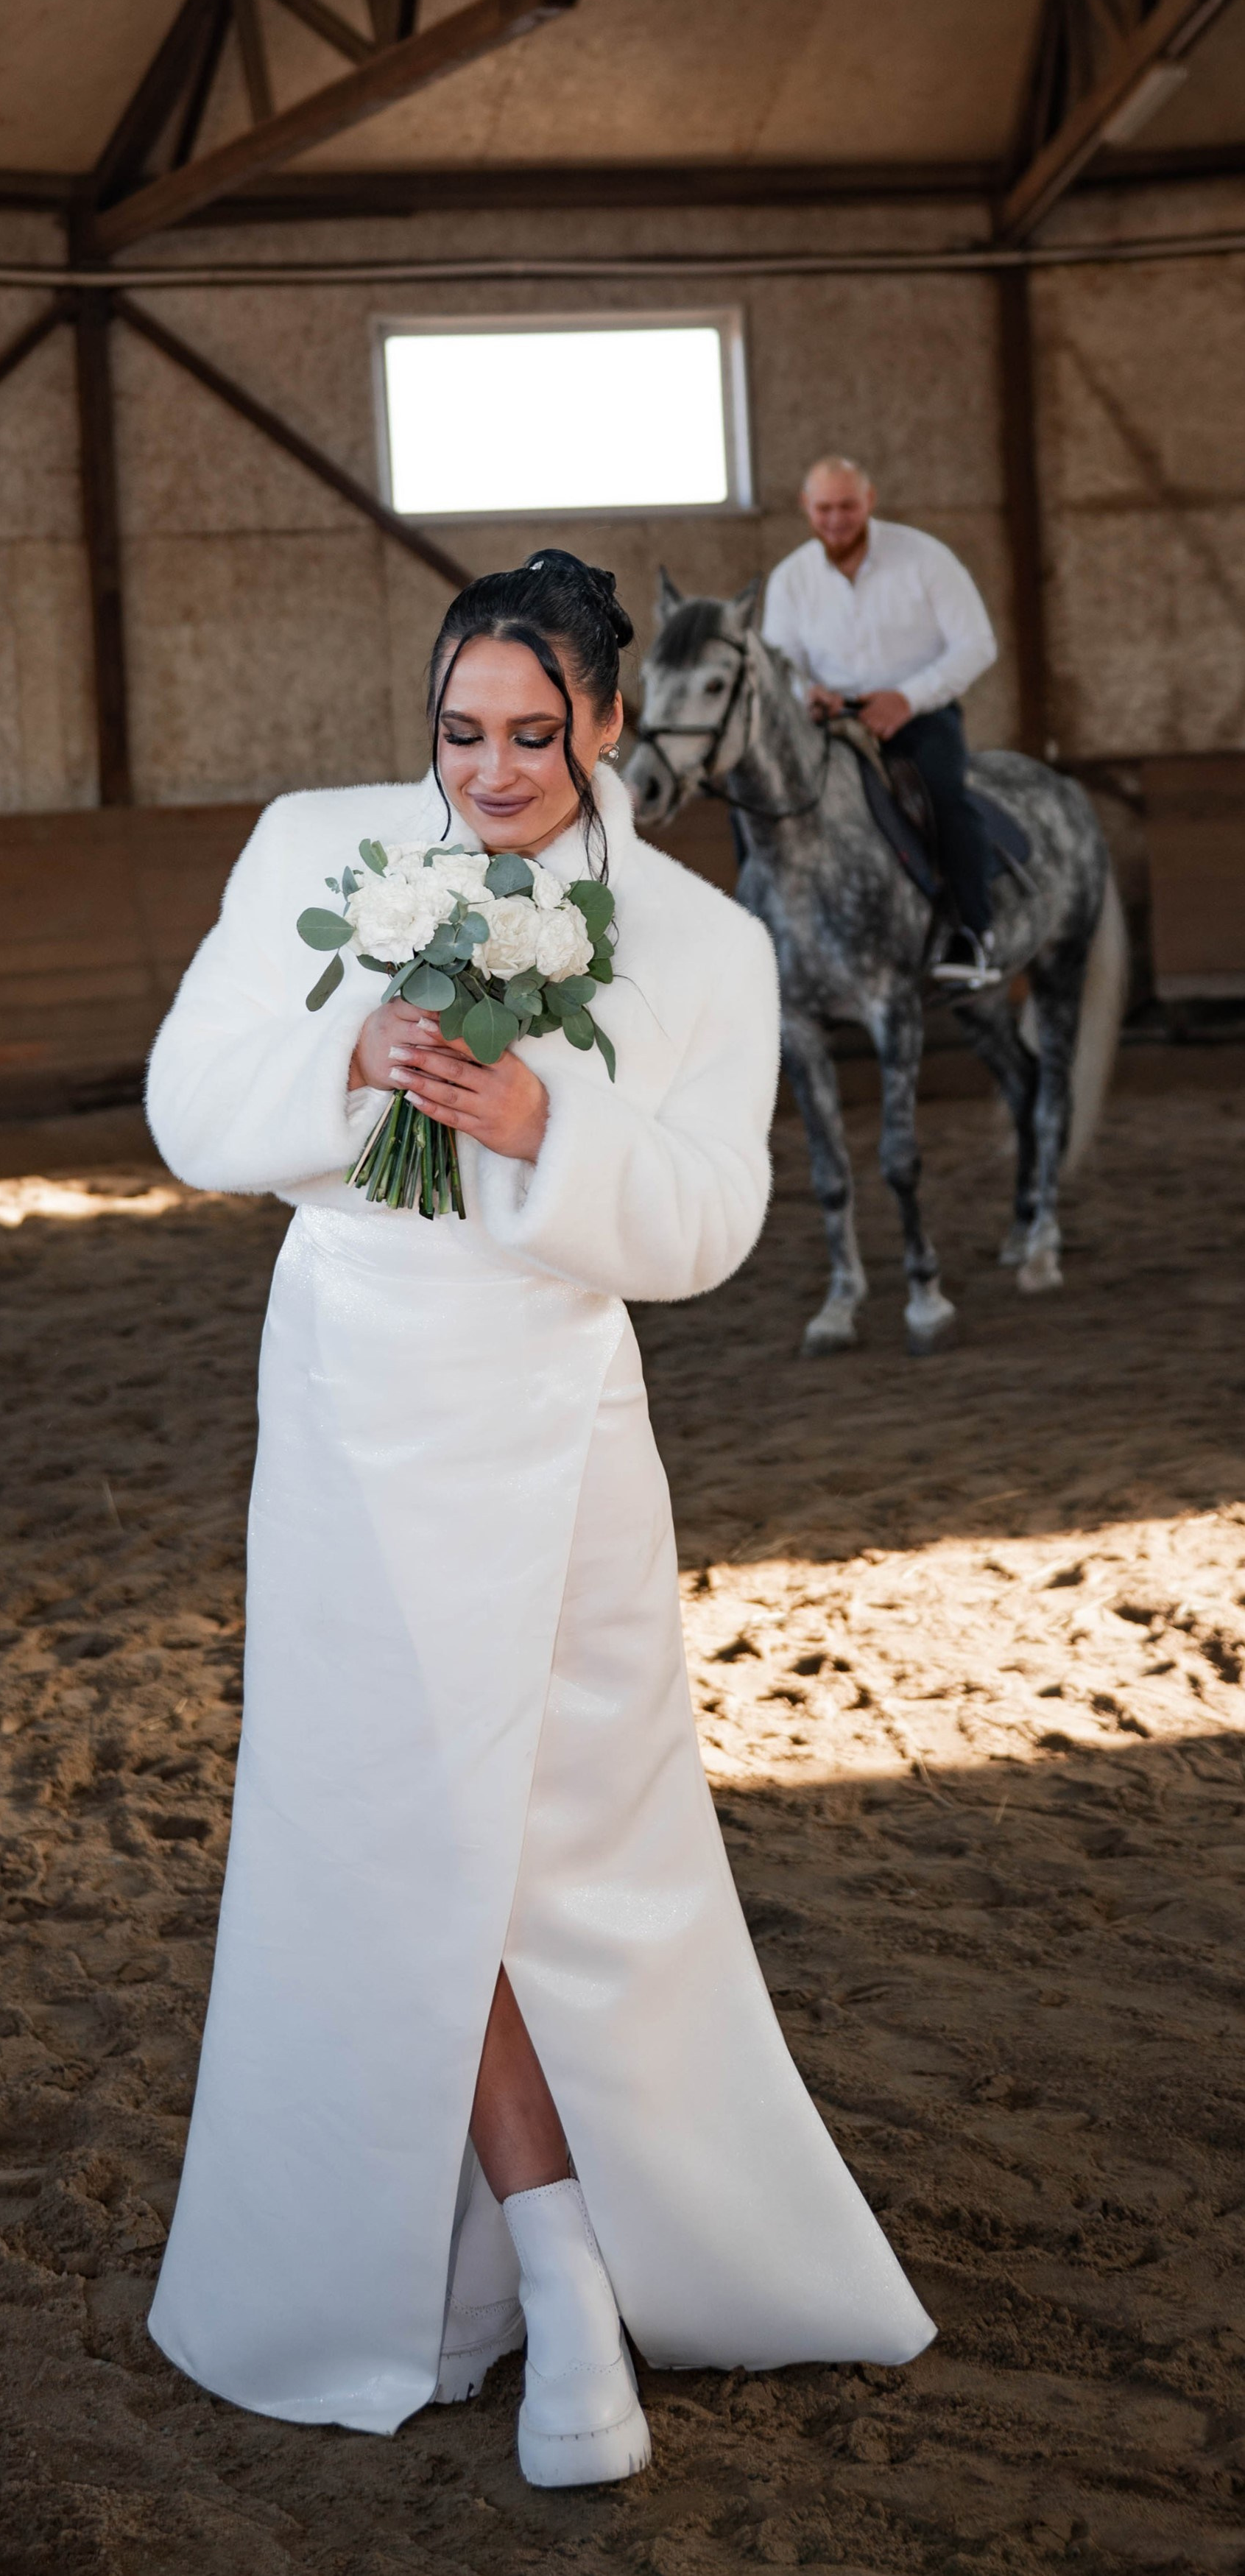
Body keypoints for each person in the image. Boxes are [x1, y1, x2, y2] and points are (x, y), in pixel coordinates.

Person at [142, 549, 934, 2489]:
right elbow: (185, 1101)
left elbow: (703, 1226)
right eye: (454, 730)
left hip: (553, 1408)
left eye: (526, 733)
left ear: (600, 724)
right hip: (348, 1389)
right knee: (412, 1815)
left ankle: (613, 2236)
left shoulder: (695, 945)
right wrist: (346, 1055)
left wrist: (537, 1132)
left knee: (572, 1832)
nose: (484, 770)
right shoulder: (311, 847)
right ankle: (560, 2256)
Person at [761, 455, 1002, 987]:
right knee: (761, 801)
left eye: (847, 505)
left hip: (915, 714)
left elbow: (978, 644)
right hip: (828, 722)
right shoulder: (790, 579)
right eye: (824, 507)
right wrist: (808, 694)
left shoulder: (927, 559)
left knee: (944, 796)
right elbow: (783, 665)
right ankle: (768, 933)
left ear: (869, 502)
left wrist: (907, 698)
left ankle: (972, 931)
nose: (836, 519)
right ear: (807, 507)